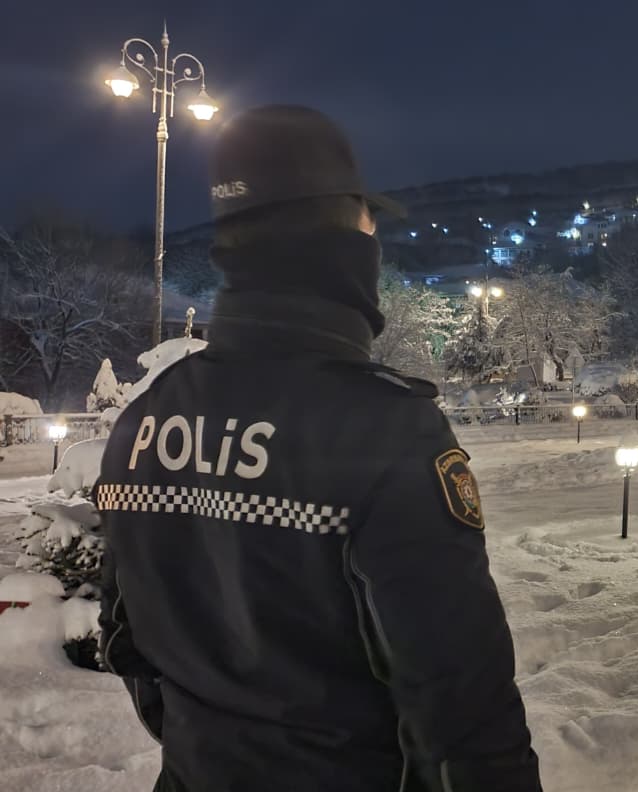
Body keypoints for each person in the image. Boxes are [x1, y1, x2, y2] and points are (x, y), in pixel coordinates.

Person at [96, 105, 542, 792]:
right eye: (367, 223)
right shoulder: (383, 429)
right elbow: (464, 712)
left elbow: (127, 640)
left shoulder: (147, 417)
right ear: (336, 241)